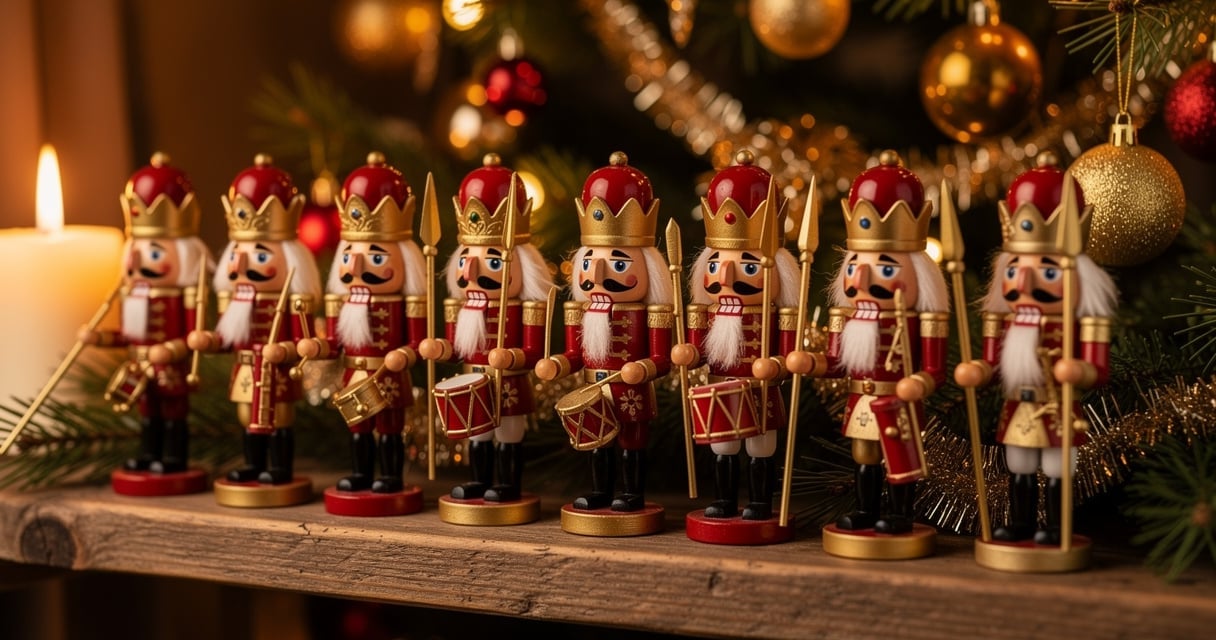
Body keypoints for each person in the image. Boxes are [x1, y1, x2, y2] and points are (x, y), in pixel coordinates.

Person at [954, 152, 1116, 546]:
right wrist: (978, 370)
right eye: (1014, 271)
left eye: (1045, 271)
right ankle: (1022, 523)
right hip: (1019, 405)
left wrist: (1079, 372)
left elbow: (1099, 370)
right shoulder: (1006, 321)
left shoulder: (1081, 321)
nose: (1025, 282)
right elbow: (992, 363)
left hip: (1059, 409)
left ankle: (1056, 527)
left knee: (1059, 466)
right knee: (1020, 464)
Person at [797, 150, 949, 546]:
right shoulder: (845, 317)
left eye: (884, 267)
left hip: (899, 401)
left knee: (900, 459)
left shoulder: (921, 319)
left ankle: (901, 514)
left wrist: (919, 383)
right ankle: (866, 509)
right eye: (854, 266)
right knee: (864, 455)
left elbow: (935, 369)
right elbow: (835, 363)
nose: (861, 279)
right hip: (861, 399)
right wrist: (810, 362)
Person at [535, 151, 672, 524]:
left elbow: (664, 358)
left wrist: (643, 368)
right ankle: (600, 491)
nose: (597, 272)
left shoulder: (650, 312)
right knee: (599, 442)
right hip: (594, 389)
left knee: (631, 441)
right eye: (590, 260)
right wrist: (557, 363)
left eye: (618, 262)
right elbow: (576, 353)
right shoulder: (580, 311)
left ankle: (632, 493)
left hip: (631, 389)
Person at [671, 149, 799, 537]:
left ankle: (760, 502)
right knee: (723, 447)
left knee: (761, 447)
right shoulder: (707, 312)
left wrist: (776, 365)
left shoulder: (776, 312)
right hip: (721, 387)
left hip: (761, 388)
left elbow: (790, 352)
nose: (725, 276)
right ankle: (725, 500)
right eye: (715, 265)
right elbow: (694, 351)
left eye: (746, 266)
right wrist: (688, 353)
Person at [419, 153, 552, 518]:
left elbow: (533, 349)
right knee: (477, 433)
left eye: (492, 261)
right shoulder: (461, 306)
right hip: (474, 380)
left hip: (508, 383)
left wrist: (512, 358)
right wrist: (440, 347)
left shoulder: (524, 307)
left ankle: (507, 483)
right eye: (466, 260)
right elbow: (454, 346)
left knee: (508, 433)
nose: (473, 271)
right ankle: (479, 479)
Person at [297, 152, 426, 514]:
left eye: (376, 256)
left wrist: (407, 354)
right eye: (352, 253)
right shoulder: (342, 302)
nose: (358, 266)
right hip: (355, 373)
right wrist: (316, 345)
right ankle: (360, 472)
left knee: (389, 428)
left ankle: (390, 476)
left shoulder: (404, 301)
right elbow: (334, 343)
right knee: (358, 427)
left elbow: (417, 342)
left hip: (388, 375)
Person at [188, 154, 321, 499]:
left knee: (281, 418)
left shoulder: (292, 298)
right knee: (247, 417)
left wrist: (287, 351)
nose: (244, 265)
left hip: (277, 372)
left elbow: (304, 341)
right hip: (247, 368)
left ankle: (279, 467)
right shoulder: (236, 299)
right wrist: (209, 340)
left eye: (261, 256)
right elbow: (228, 338)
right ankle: (253, 463)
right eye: (239, 255)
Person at [86, 152, 211, 494]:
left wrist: (171, 350)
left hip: (170, 370)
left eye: (154, 253)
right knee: (147, 414)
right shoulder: (133, 295)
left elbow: (193, 336)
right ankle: (148, 454)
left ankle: (173, 458)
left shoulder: (182, 295)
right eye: (136, 251)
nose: (141, 261)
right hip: (139, 369)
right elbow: (127, 335)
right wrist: (99, 337)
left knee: (173, 414)